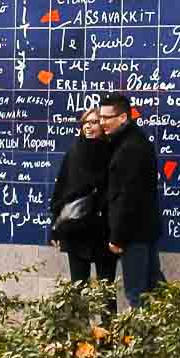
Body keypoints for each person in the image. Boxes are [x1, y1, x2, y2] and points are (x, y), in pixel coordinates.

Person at [99, 92, 166, 308]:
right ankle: (169, 336)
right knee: (154, 287)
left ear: (123, 118)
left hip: (133, 235)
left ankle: (146, 340)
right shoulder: (132, 141)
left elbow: (128, 197)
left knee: (137, 293)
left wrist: (118, 237)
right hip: (143, 230)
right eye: (101, 117)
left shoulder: (130, 148)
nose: (102, 123)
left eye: (107, 118)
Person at [49, 105, 116, 288]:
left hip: (103, 230)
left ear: (103, 125)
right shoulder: (74, 153)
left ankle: (108, 319)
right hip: (76, 229)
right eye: (85, 122)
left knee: (106, 292)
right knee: (78, 288)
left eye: (93, 122)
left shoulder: (113, 152)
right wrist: (54, 224)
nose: (88, 126)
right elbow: (61, 189)